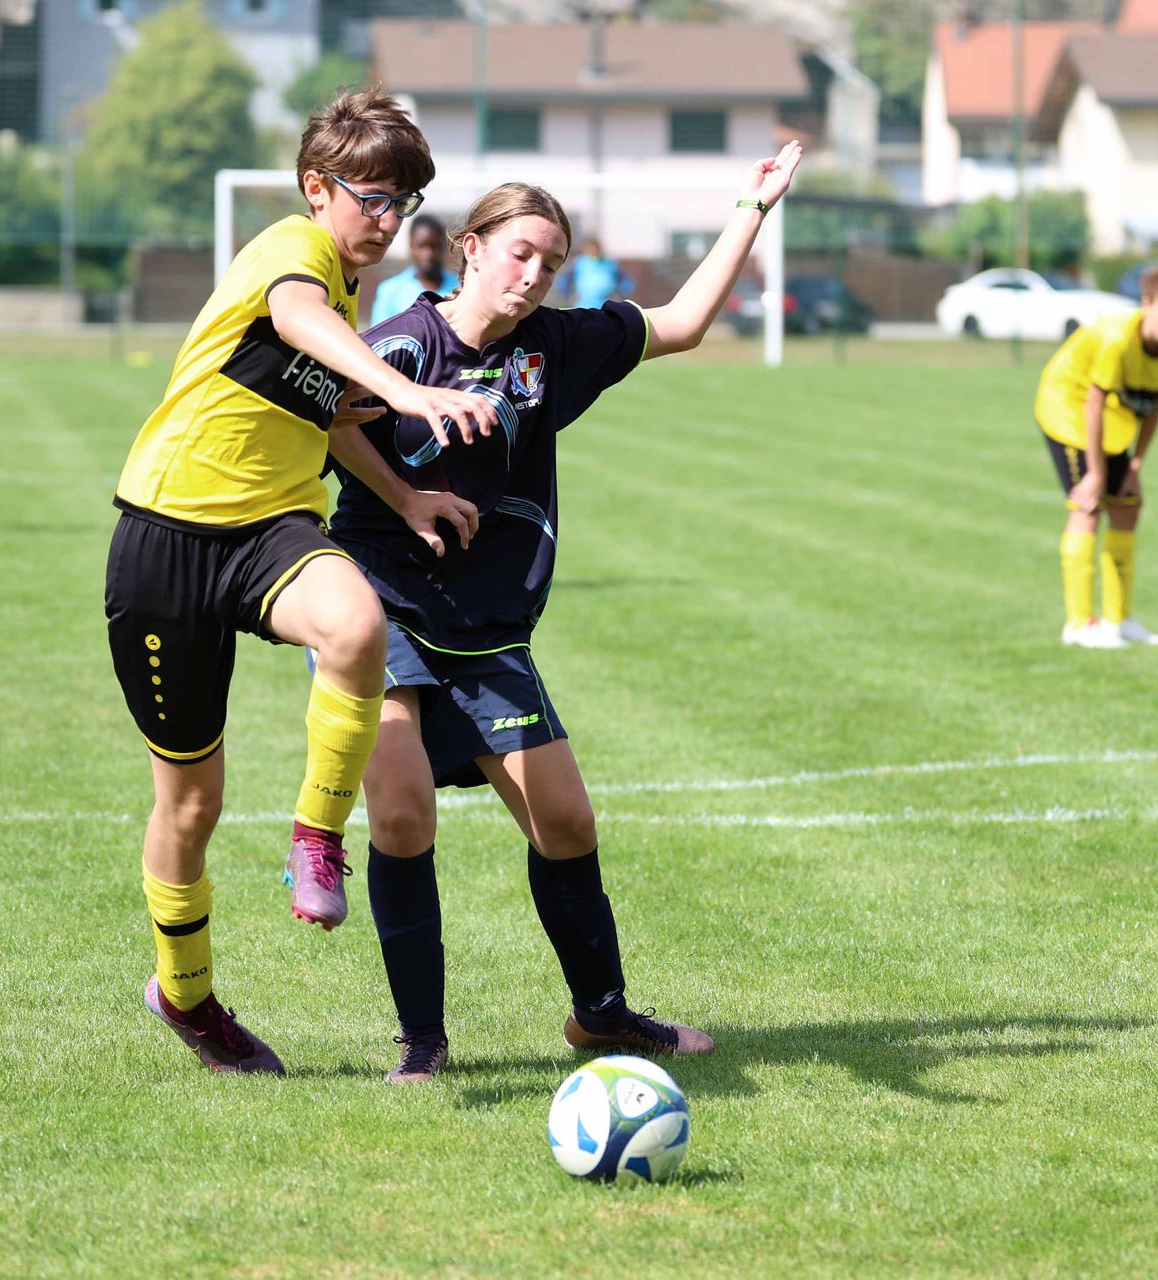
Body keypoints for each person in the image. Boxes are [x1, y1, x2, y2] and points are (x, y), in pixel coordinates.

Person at [325, 142, 803, 1083]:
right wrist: (407, 498)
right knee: (403, 816)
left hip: (489, 627)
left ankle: (602, 1016)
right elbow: (335, 422)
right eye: (520, 253)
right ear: (470, 247)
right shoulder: (400, 346)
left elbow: (682, 324)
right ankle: (422, 1043)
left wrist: (752, 208)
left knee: (567, 824)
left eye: (551, 262)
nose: (534, 274)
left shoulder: (552, 347)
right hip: (384, 610)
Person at [104, 90, 496, 1075]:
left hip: (271, 529)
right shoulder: (294, 250)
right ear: (317, 188)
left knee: (356, 625)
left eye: (405, 202)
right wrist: (404, 389)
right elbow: (295, 314)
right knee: (189, 805)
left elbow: (325, 420)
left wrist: (404, 496)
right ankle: (187, 996)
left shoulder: (346, 295)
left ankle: (317, 837)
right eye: (374, 196)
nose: (389, 219)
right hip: (164, 534)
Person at [1036, 260, 1158, 650]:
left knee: (1128, 505)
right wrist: (1096, 475)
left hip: (1111, 415)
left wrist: (1135, 466)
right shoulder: (1116, 339)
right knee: (1088, 505)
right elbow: (1092, 404)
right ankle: (1079, 624)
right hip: (1068, 405)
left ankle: (1119, 620)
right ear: (1146, 303)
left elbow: (1155, 403)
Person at [367, 214, 459, 325]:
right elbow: (380, 333)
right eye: (422, 246)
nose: (428, 254)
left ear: (443, 248)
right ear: (411, 247)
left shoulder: (459, 289)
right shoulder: (390, 291)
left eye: (434, 246)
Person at [566, 236, 630, 310]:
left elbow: (626, 282)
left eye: (595, 248)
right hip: (584, 305)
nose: (593, 251)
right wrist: (570, 295)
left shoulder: (610, 263)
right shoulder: (579, 263)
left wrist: (620, 295)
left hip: (606, 305)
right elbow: (564, 281)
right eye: (590, 249)